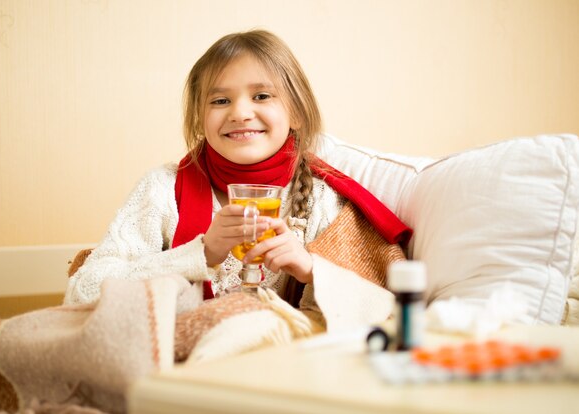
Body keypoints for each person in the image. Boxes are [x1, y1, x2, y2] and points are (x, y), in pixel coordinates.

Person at [64, 29, 411, 311]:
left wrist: (310, 271)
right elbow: (83, 293)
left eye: (261, 96)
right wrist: (200, 253)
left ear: (297, 114)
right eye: (220, 100)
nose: (240, 112)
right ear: (200, 120)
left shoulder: (322, 201)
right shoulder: (161, 189)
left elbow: (389, 312)